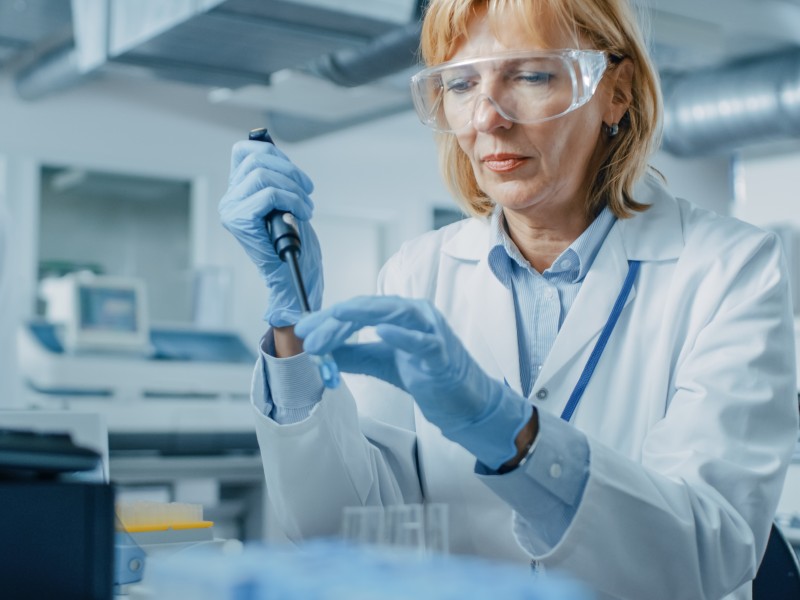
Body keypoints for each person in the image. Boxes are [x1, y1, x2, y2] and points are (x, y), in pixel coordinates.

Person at [219, 0, 799, 598]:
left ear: (615, 92)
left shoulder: (730, 267)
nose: (487, 118)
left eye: (530, 76)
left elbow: (709, 551)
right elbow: (342, 532)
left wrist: (509, 432)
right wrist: (295, 324)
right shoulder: (418, 272)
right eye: (462, 84)